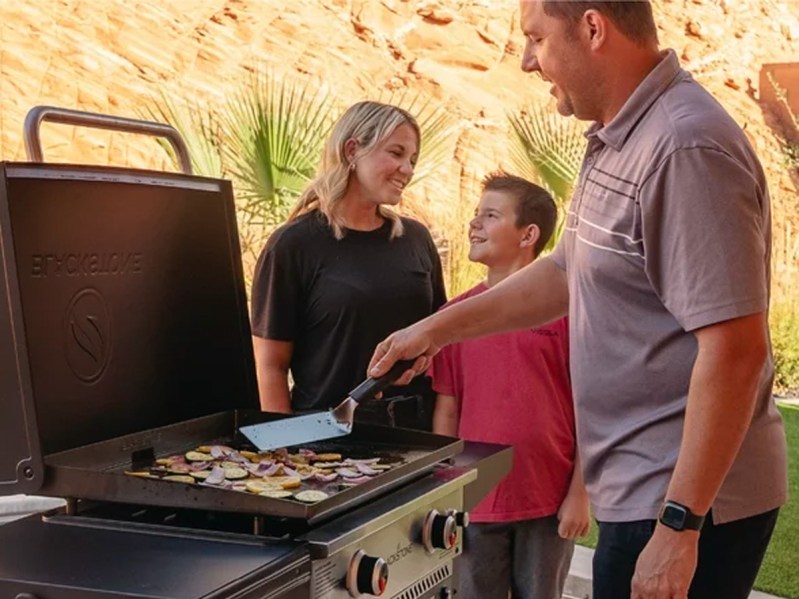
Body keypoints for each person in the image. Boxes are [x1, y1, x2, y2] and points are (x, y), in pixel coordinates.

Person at [367, 2, 788, 598]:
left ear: (592, 28)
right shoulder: (620, 136)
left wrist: (679, 526)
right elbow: (566, 272)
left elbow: (736, 352)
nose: (526, 60)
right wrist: (436, 330)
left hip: (686, 503)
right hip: (641, 490)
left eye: (536, 39)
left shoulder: (683, 147)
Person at [430, 172, 590, 599]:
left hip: (549, 500)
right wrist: (442, 489)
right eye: (475, 214)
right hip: (475, 501)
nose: (474, 224)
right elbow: (447, 410)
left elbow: (590, 410)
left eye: (490, 215)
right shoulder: (455, 317)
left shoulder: (569, 313)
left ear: (529, 234)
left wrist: (580, 494)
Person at [250, 101, 446, 430]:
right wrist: (285, 451)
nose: (408, 170)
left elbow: (441, 337)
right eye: (396, 153)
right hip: (325, 439)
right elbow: (270, 366)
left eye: (412, 160)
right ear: (352, 149)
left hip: (416, 438)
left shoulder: (416, 239)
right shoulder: (293, 244)